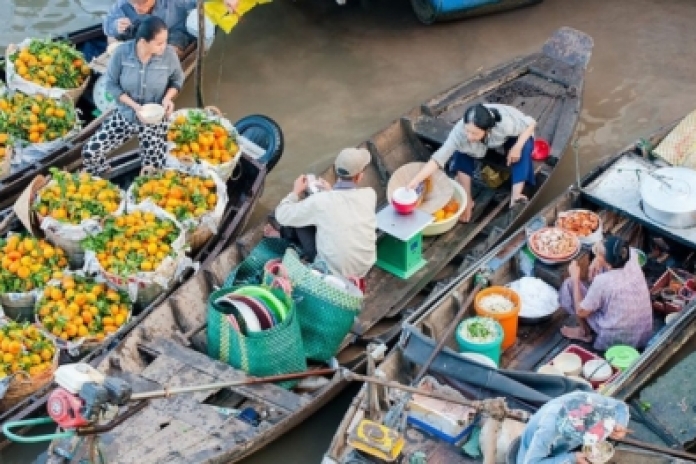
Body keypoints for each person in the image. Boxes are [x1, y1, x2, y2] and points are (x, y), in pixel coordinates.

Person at [82, 16, 184, 176]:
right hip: (126, 114)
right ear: (143, 42)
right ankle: (103, 175)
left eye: (165, 41)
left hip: (155, 119)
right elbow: (111, 84)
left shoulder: (169, 55)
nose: (164, 47)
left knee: (153, 168)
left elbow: (177, 79)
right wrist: (135, 106)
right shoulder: (122, 53)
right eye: (159, 43)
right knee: (90, 152)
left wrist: (168, 98)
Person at [407, 103, 537, 222]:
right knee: (460, 151)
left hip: (513, 135)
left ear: (487, 130)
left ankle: (516, 197)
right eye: (467, 130)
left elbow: (531, 124)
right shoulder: (460, 131)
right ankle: (467, 197)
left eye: (474, 133)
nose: (469, 136)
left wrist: (517, 147)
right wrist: (416, 180)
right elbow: (438, 158)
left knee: (525, 148)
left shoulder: (505, 124)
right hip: (481, 145)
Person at [267, 148, 377, 279]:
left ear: (335, 169)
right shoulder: (370, 194)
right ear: (359, 177)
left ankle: (282, 235)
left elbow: (282, 215)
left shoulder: (320, 201)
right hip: (364, 267)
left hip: (333, 272)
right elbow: (345, 204)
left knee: (301, 217)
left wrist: (295, 192)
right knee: (317, 215)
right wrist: (330, 192)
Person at [559, 236, 653, 350]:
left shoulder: (603, 282)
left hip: (616, 338)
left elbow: (581, 311)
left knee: (570, 285)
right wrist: (597, 260)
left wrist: (575, 277)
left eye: (601, 255)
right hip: (641, 333)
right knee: (600, 280)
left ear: (609, 264)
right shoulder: (632, 255)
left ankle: (584, 332)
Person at [517, 391, 630, 464]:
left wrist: (620, 424)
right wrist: (571, 458)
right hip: (535, 456)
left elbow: (620, 407)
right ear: (572, 433)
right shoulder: (548, 431)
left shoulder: (585, 398)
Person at [103, 0, 240, 57]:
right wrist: (116, 26)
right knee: (112, 37)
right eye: (134, 4)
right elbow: (107, 25)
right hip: (141, 36)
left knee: (171, 51)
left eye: (144, 3)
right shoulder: (121, 5)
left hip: (173, 33)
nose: (139, 9)